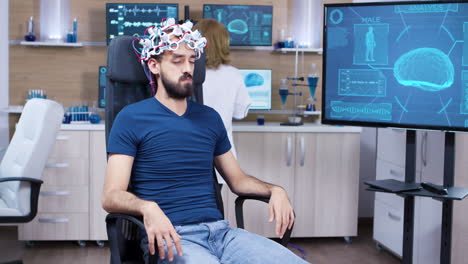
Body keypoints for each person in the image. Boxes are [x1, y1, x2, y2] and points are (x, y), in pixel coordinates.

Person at [102, 19, 307, 264]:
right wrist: (148, 208)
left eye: (191, 60)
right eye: (177, 60)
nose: (187, 68)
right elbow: (111, 196)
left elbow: (238, 181)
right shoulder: (131, 118)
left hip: (223, 235)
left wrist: (276, 190)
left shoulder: (209, 118)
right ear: (154, 66)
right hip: (173, 238)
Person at [193, 19, 252, 184]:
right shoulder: (233, 74)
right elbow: (241, 113)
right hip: (222, 162)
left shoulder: (186, 71)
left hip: (188, 159)